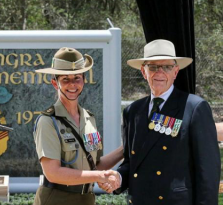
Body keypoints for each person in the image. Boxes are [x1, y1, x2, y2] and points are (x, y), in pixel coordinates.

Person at [109, 39, 220, 205]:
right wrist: (118, 178)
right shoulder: (132, 111)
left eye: (167, 67)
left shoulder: (194, 107)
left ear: (175, 72)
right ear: (143, 71)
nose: (159, 72)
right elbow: (133, 163)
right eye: (153, 67)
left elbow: (208, 171)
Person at [33, 47, 122, 205]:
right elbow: (53, 173)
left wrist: (126, 150)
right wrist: (99, 177)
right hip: (56, 199)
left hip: (86, 199)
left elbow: (95, 166)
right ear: (55, 83)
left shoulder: (89, 119)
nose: (72, 84)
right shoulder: (47, 121)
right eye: (65, 79)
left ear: (84, 80)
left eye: (77, 78)